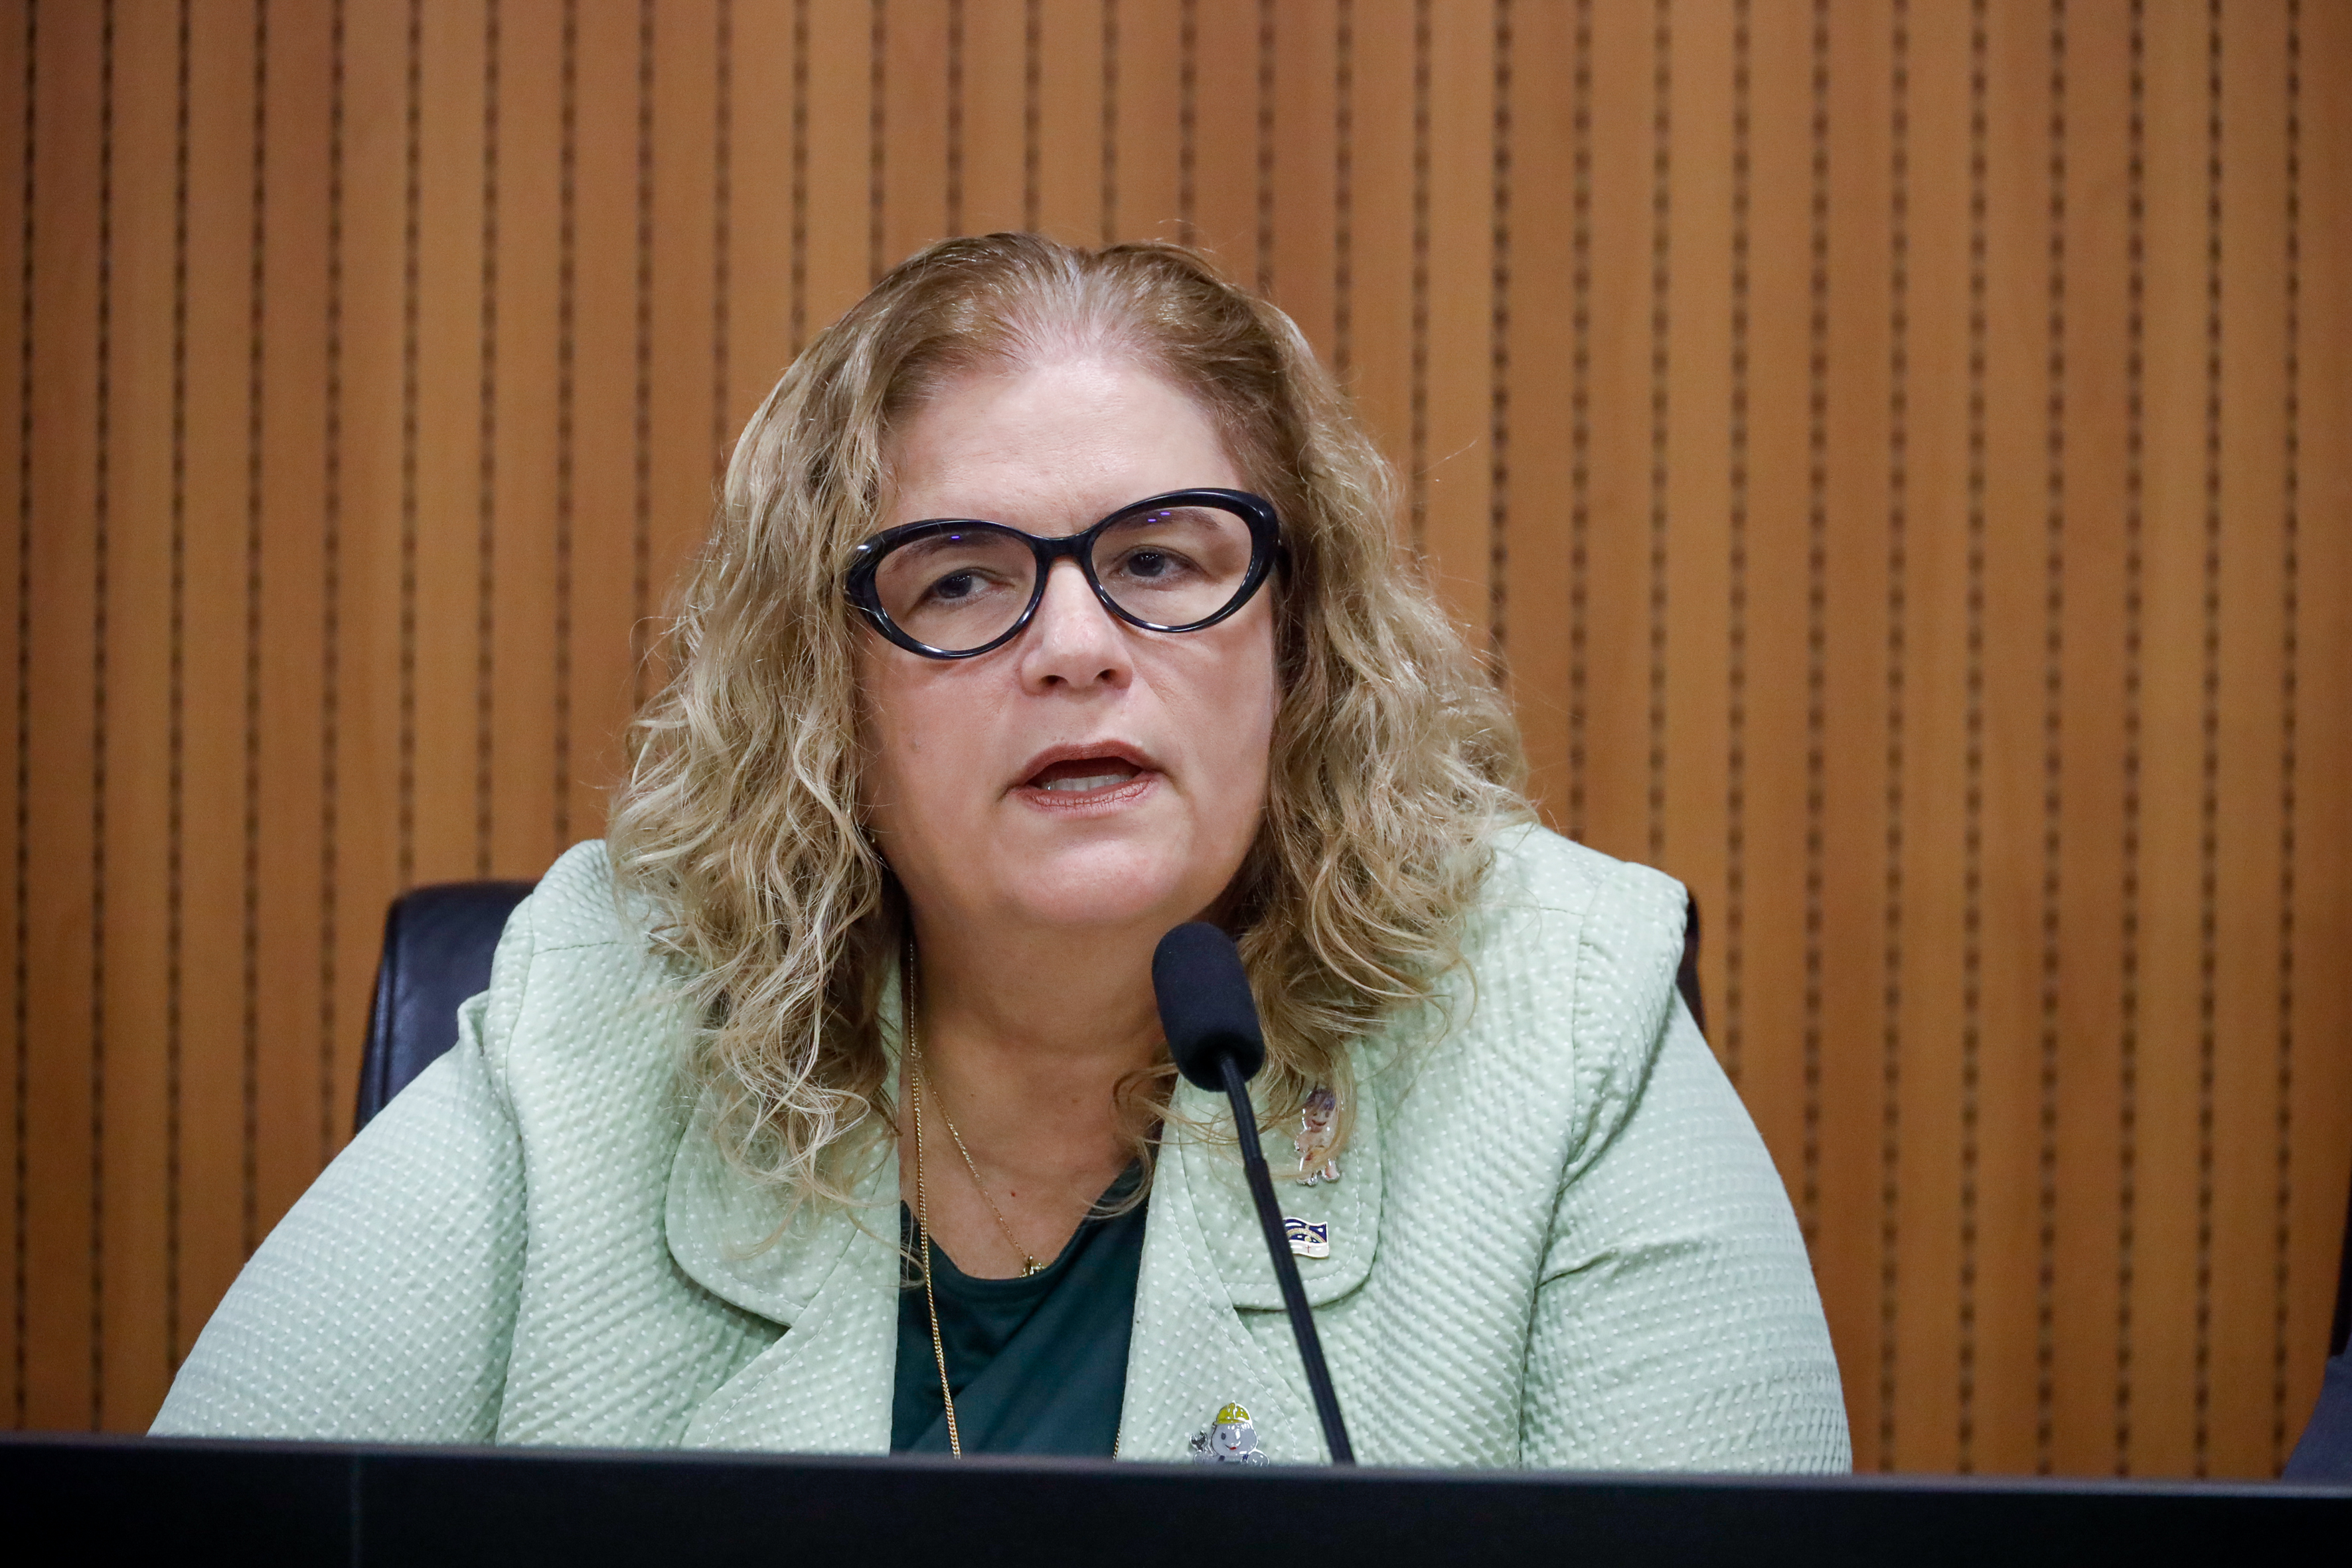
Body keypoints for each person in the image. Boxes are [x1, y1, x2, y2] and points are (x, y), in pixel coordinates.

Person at [153, 234, 1849, 1469]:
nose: (1073, 645)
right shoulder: (606, 1013)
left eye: (1162, 560)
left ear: (1299, 642)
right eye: (961, 578)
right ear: (827, 692)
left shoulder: (1561, 1013)